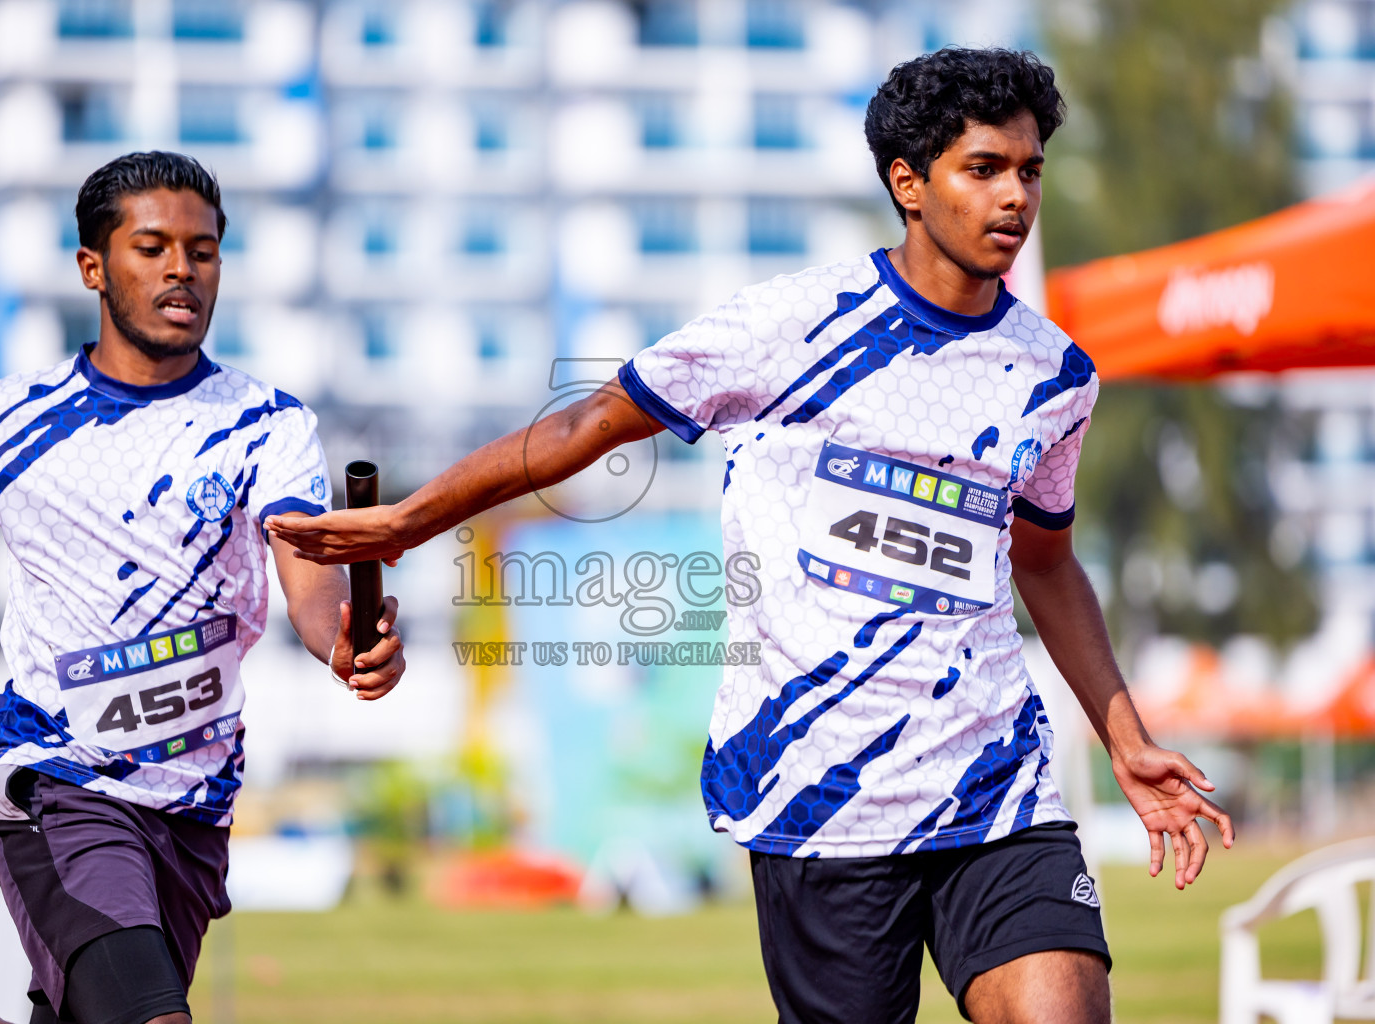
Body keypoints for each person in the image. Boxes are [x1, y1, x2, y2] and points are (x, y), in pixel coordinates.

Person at [266, 48, 1234, 1024]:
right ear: (909, 182)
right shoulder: (791, 325)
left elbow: (1046, 561)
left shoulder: (1054, 375)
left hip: (995, 782)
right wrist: (407, 520)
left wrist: (1125, 735)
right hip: (817, 795)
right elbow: (582, 428)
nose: (1015, 196)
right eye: (983, 168)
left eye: (1029, 169)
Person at [0, 151, 405, 1024]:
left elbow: (310, 575)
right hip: (59, 782)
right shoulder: (5, 419)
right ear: (93, 268)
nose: (182, 268)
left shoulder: (268, 423)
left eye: (203, 250)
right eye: (153, 247)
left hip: (192, 807)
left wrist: (342, 641)